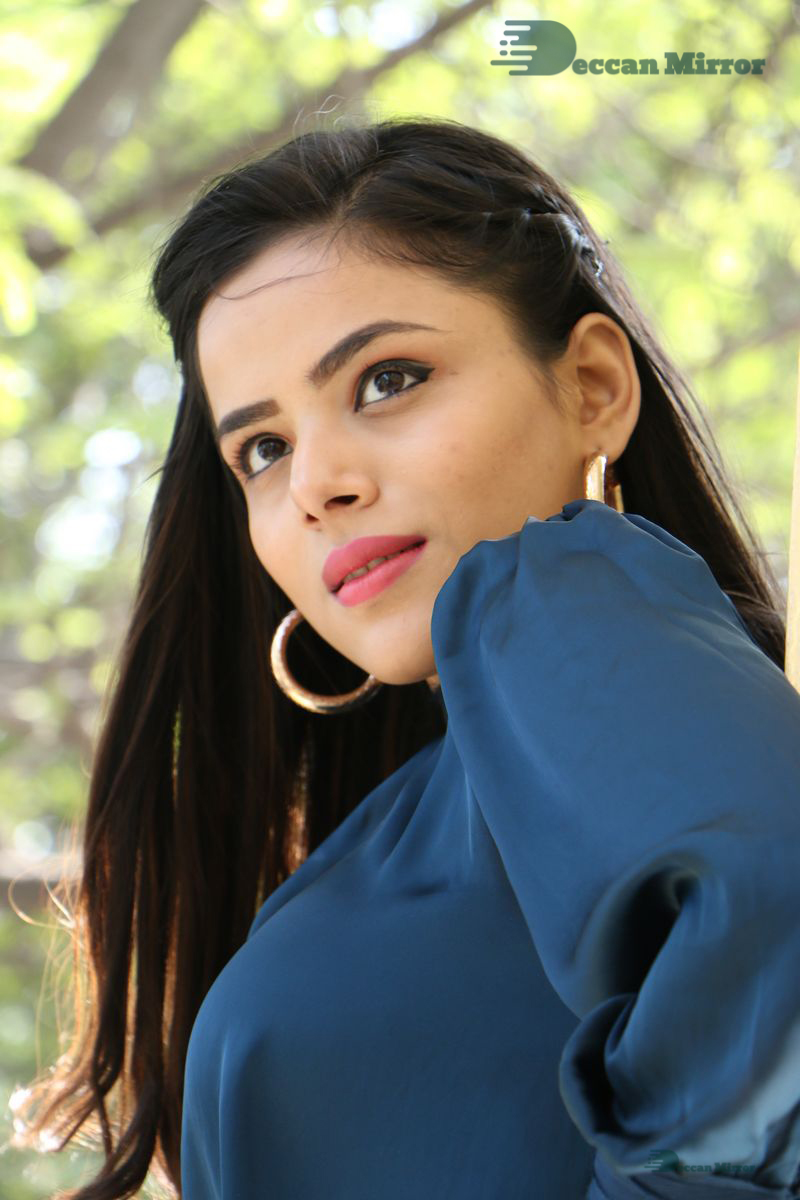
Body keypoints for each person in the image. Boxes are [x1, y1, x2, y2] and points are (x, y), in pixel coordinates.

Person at [11, 116, 800, 1200]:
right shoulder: (419, 810)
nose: (314, 485)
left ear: (592, 386)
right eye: (263, 448)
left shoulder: (572, 605)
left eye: (387, 380)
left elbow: (775, 925)